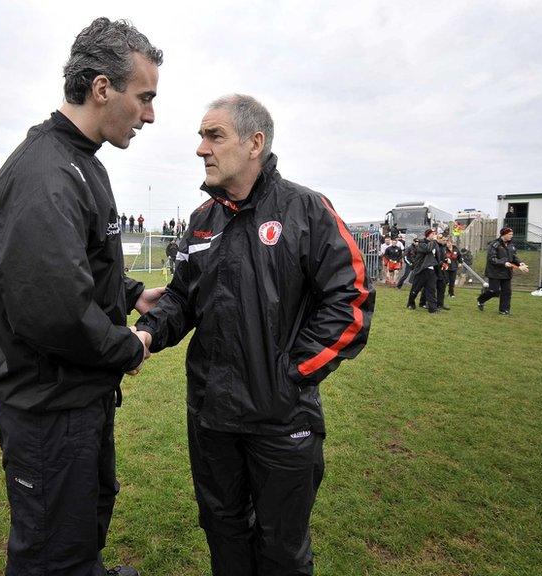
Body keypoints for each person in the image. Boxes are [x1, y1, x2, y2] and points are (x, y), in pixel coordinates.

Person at [136, 94, 374, 576]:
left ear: (254, 144)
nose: (201, 148)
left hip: (281, 421)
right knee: (224, 534)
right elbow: (183, 297)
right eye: (201, 136)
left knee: (280, 549)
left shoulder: (306, 209)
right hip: (211, 418)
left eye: (214, 135)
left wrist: (290, 375)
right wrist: (146, 333)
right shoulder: (202, 221)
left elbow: (351, 301)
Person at [0, 18, 163, 576]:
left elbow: (78, 266)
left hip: (74, 395)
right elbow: (54, 312)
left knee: (83, 519)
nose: (149, 114)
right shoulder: (47, 175)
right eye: (144, 97)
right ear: (103, 88)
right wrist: (128, 347)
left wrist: (131, 295)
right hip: (46, 404)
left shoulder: (82, 163)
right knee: (51, 548)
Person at [477, 227, 528, 315]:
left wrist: (520, 263)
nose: (511, 236)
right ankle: (481, 300)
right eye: (509, 234)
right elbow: (491, 259)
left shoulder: (511, 245)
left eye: (512, 234)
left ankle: (504, 310)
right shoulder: (494, 244)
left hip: (507, 273)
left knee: (507, 292)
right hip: (494, 272)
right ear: (503, 234)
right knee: (494, 292)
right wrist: (503, 263)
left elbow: (514, 257)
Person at [407, 229, 440, 313]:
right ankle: (411, 303)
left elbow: (437, 256)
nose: (434, 235)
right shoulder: (421, 243)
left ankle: (433, 309)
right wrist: (434, 241)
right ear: (428, 235)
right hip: (422, 269)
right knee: (416, 288)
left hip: (431, 270)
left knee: (431, 290)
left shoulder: (435, 244)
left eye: (435, 234)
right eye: (433, 234)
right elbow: (427, 249)